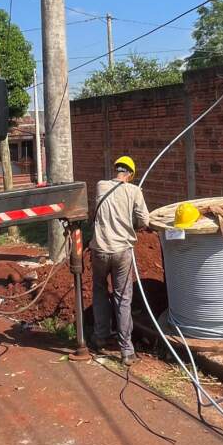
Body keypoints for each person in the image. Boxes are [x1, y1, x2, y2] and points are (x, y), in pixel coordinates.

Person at [89, 155, 149, 365]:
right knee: (122, 298)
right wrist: (130, 223)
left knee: (99, 290)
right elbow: (144, 220)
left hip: (99, 249)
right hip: (122, 250)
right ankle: (126, 351)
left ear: (116, 170)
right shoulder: (134, 190)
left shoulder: (100, 186)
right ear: (131, 175)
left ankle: (100, 337)